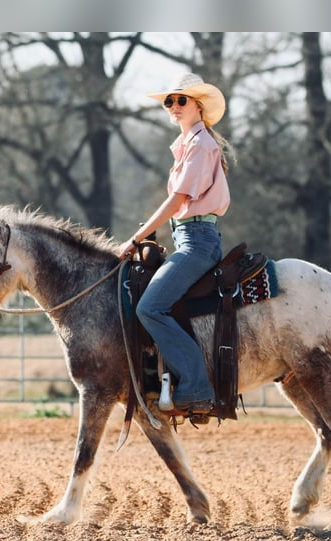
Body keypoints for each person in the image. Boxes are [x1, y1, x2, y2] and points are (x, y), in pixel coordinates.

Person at [118, 72, 233, 414]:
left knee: (150, 307)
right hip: (189, 235)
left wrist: (136, 238)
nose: (174, 106)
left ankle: (196, 387)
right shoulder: (188, 145)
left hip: (197, 241)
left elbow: (176, 200)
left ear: (198, 106)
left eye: (181, 100)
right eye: (169, 101)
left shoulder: (200, 145)